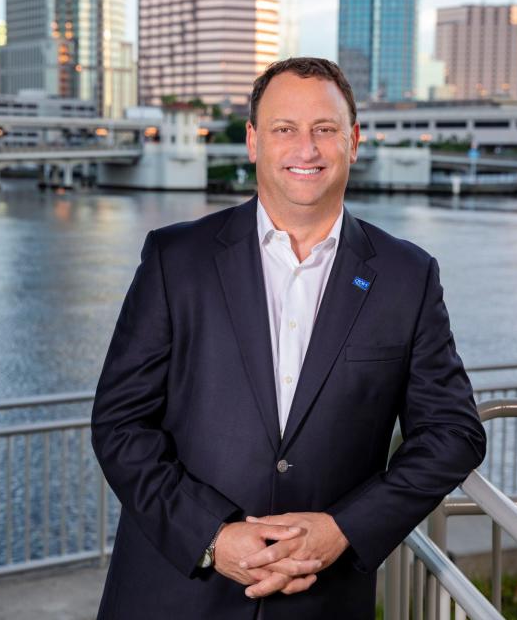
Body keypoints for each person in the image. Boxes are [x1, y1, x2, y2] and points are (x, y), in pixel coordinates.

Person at [91, 57, 486, 620]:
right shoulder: (175, 259)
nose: (307, 149)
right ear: (253, 141)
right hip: (173, 594)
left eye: (324, 129)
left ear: (353, 141)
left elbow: (453, 433)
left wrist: (345, 528)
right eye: (285, 129)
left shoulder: (407, 276)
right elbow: (119, 422)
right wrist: (212, 536)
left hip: (320, 600)